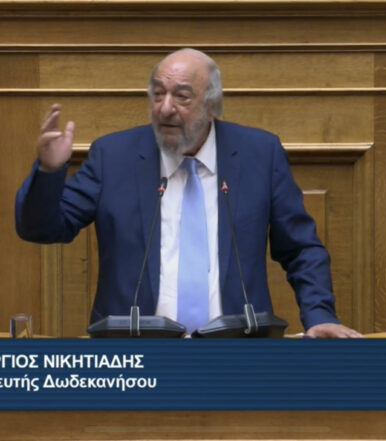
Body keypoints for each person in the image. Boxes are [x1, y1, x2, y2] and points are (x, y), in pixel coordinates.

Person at [15, 48, 362, 338]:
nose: (165, 108)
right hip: (134, 353)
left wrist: (319, 316)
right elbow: (41, 228)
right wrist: (48, 172)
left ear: (212, 106)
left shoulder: (259, 154)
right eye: (157, 94)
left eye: (181, 96)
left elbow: (301, 249)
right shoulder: (114, 156)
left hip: (238, 350)